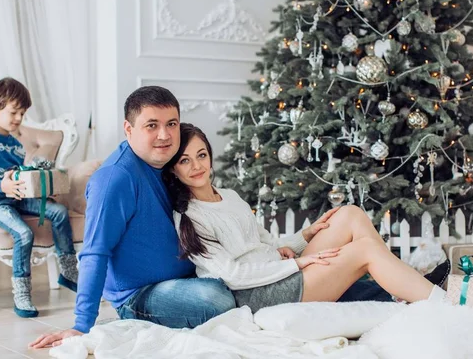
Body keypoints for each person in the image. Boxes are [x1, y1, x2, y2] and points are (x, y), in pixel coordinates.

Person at [29, 86, 339, 349]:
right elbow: (95, 252)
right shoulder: (115, 180)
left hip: (192, 275)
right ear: (129, 129)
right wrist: (82, 325)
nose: (164, 135)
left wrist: (275, 251)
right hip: (142, 295)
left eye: (172, 123)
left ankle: (334, 287)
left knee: (234, 281)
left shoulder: (169, 163)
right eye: (151, 125)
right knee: (214, 297)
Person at [162, 123, 449, 313]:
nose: (197, 166)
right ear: (174, 169)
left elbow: (267, 244)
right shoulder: (190, 217)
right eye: (185, 160)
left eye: (201, 155)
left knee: (349, 214)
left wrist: (305, 237)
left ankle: (400, 287)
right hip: (259, 295)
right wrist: (298, 263)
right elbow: (233, 276)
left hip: (281, 272)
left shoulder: (230, 196)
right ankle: (445, 304)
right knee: (363, 250)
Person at [0, 78, 78, 318]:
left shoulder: (16, 145)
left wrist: (43, 189)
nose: (18, 118)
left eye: (22, 113)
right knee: (23, 233)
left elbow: (20, 177)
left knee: (58, 211)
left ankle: (68, 271)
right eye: (13, 112)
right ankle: (22, 292)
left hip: (16, 197)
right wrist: (1, 185)